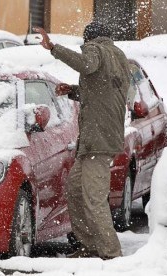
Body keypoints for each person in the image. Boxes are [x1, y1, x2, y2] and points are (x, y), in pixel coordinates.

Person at [33, 22, 130, 260]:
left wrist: (53, 48)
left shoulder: (95, 49)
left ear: (89, 40)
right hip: (97, 140)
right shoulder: (118, 57)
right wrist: (73, 91)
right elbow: (103, 91)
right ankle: (89, 245)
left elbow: (87, 64)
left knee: (94, 199)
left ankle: (110, 253)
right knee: (75, 190)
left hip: (97, 141)